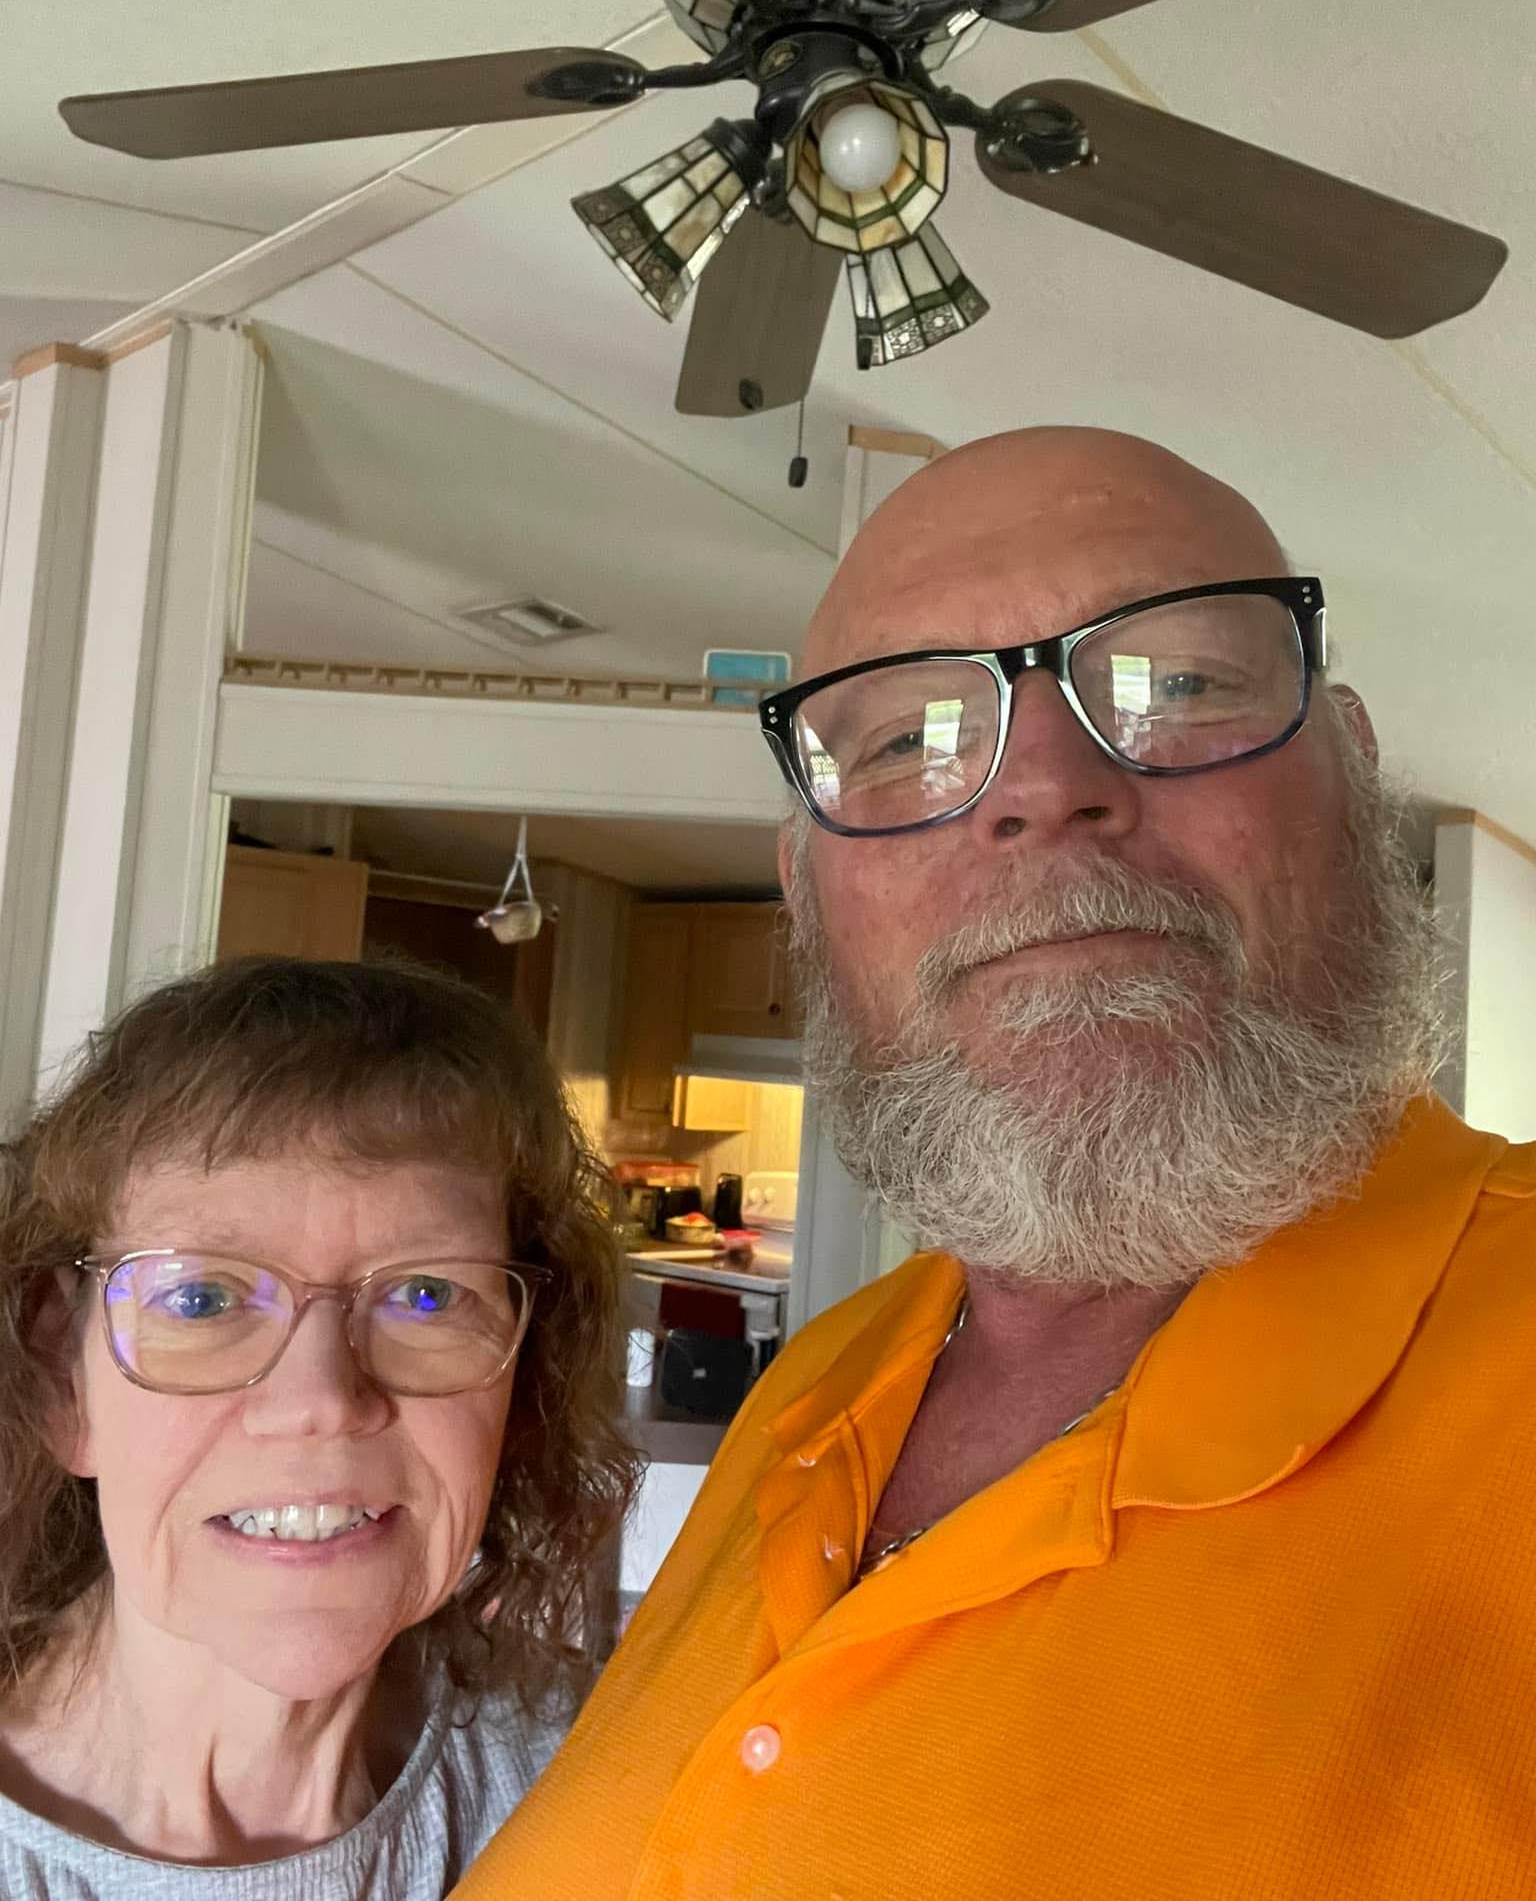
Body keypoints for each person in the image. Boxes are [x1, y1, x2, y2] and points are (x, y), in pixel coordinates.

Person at [455, 426, 1536, 1901]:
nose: (1043, 786)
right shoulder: (817, 1388)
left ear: (1352, 774)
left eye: (1177, 687)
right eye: (909, 741)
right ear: (807, 893)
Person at [0, 954, 637, 1897]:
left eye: (426, 1295)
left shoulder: (612, 1776)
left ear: (521, 1378)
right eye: (203, 1297)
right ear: (65, 1379)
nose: (323, 1400)